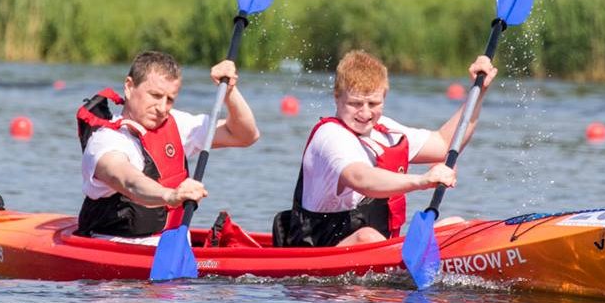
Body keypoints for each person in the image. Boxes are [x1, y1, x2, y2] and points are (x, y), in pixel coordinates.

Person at [272, 50, 498, 248]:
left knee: (456, 225)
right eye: (355, 104)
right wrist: (421, 181)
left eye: (373, 104)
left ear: (384, 97)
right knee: (367, 237)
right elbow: (360, 177)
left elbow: (443, 144)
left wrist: (478, 92)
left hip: (375, 248)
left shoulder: (386, 131)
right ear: (337, 97)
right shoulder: (331, 135)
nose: (365, 113)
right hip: (320, 250)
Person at [75, 51, 259, 242]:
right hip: (118, 249)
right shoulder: (106, 141)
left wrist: (229, 92)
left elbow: (245, 135)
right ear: (129, 87)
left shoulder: (177, 124)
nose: (162, 108)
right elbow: (129, 181)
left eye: (169, 99)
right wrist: (170, 195)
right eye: (155, 95)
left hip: (172, 248)